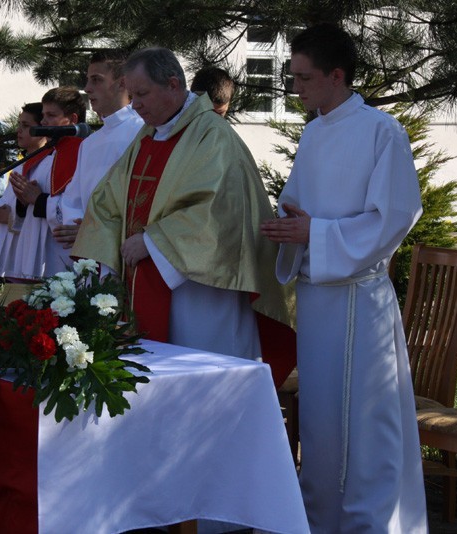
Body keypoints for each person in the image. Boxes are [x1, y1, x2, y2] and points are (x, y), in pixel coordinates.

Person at [260, 23, 427, 533]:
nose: (296, 89)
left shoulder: (381, 131)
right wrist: (291, 226)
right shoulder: (313, 132)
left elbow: (395, 215)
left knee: (364, 431)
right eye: (292, 78)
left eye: (304, 78)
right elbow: (305, 209)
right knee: (322, 427)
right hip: (317, 301)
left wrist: (318, 234)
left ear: (337, 75)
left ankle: (370, 525)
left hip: (357, 303)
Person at [72, 47, 294, 378]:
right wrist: (107, 251)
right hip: (146, 280)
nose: (135, 105)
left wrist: (152, 243)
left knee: (200, 383)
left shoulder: (213, 135)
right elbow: (109, 197)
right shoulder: (149, 134)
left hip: (200, 290)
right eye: (131, 95)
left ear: (174, 85)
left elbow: (220, 211)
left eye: (142, 94)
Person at [52, 50, 144, 249]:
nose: (87, 88)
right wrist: (79, 228)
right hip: (89, 254)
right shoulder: (89, 143)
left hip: (124, 250)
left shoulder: (142, 132)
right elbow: (71, 200)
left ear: (123, 83)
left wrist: (92, 231)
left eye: (96, 80)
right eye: (88, 80)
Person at [10, 86, 86, 279]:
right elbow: (32, 202)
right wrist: (23, 200)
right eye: (43, 115)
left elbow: (77, 206)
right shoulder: (48, 153)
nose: (43, 121)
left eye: (51, 115)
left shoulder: (81, 152)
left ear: (73, 119)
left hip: (61, 251)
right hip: (35, 245)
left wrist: (38, 199)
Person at [0, 102, 47, 279]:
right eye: (19, 124)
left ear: (43, 128)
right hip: (16, 254)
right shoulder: (19, 167)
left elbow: (42, 213)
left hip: (33, 256)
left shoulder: (49, 165)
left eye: (26, 126)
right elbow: (11, 204)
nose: (19, 130)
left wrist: (9, 217)